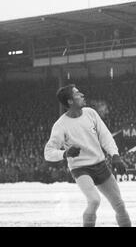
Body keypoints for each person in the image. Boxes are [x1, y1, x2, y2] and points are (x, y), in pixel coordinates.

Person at [44, 84, 131, 227]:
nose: (82, 95)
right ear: (70, 101)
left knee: (120, 205)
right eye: (77, 93)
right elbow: (48, 153)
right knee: (94, 200)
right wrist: (65, 154)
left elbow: (105, 136)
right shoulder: (60, 125)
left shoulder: (90, 113)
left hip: (100, 165)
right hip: (80, 169)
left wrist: (115, 155)